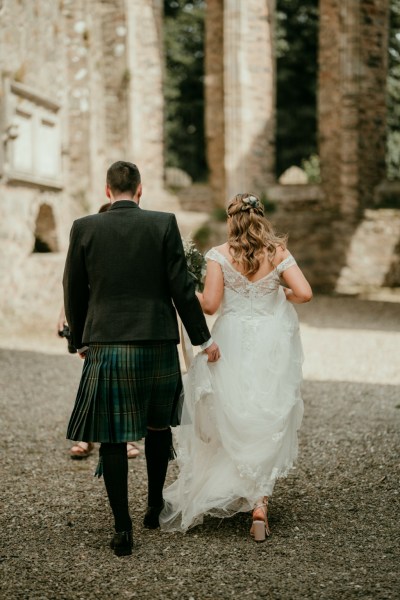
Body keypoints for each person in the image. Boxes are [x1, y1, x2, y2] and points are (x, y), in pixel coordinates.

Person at [63, 161, 220, 556]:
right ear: (140, 189)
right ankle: (153, 507)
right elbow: (182, 288)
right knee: (157, 429)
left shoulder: (84, 227)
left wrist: (78, 340)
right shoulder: (163, 223)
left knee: (113, 439)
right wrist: (202, 338)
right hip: (156, 342)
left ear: (106, 190)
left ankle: (122, 527)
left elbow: (74, 288)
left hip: (107, 343)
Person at [160, 193, 312, 541]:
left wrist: (185, 290)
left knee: (231, 410)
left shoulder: (218, 255)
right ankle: (260, 504)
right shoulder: (277, 252)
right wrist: (278, 294)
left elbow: (211, 305)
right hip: (270, 342)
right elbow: (304, 293)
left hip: (232, 339)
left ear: (232, 220)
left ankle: (238, 485)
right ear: (261, 216)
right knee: (266, 410)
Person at [57, 203, 140, 461]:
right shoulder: (91, 241)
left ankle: (122, 437)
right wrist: (64, 314)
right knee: (94, 382)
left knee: (123, 383)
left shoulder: (129, 248)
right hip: (94, 323)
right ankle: (89, 437)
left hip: (121, 324)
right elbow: (75, 284)